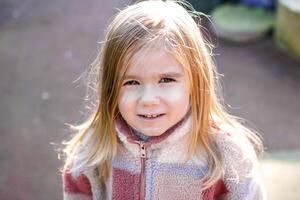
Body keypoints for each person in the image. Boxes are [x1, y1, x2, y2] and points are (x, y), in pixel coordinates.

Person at [61, 0, 266, 199]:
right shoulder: (95, 146)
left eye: (166, 80)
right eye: (131, 82)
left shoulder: (225, 153)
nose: (148, 99)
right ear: (110, 87)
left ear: (196, 80)